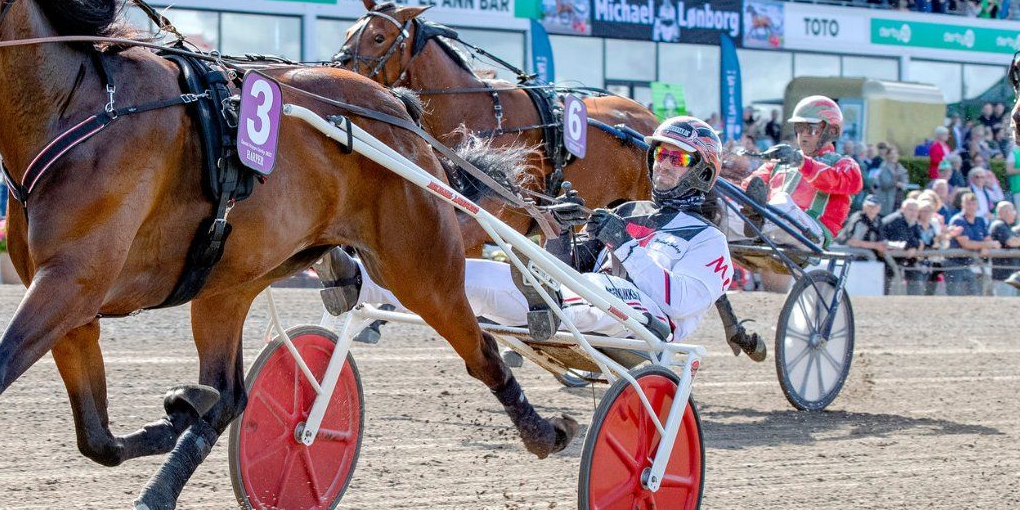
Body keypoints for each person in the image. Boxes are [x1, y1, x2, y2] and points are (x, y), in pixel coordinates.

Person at [314, 116, 764, 361]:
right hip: (574, 307)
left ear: (702, 171)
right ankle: (361, 285)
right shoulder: (629, 212)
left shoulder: (709, 242)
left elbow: (681, 301)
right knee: (476, 274)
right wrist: (561, 232)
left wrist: (624, 245)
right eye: (661, 154)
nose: (664, 164)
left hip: (648, 333)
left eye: (678, 158)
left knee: (601, 291)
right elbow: (569, 268)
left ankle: (548, 307)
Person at [739, 95, 864, 245]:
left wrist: (801, 162)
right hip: (776, 227)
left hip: (813, 233)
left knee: (782, 200)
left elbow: (836, 181)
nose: (803, 134)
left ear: (831, 131)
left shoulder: (844, 164)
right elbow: (748, 187)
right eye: (799, 127)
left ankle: (760, 223)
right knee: (728, 206)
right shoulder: (780, 162)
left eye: (811, 129)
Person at [942, 191, 997, 296]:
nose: (971, 207)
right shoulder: (958, 220)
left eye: (973, 204)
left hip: (970, 264)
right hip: (955, 263)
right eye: (968, 204)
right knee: (955, 295)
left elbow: (987, 239)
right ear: (962, 204)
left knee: (974, 295)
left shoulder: (980, 220)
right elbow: (966, 244)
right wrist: (986, 245)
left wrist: (986, 246)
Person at [880, 197, 927, 295]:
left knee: (915, 280)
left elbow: (920, 241)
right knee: (886, 292)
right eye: (910, 210)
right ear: (903, 209)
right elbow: (904, 243)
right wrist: (915, 245)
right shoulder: (896, 220)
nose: (914, 213)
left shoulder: (912, 221)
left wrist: (914, 247)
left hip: (901, 260)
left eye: (916, 211)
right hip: (885, 261)